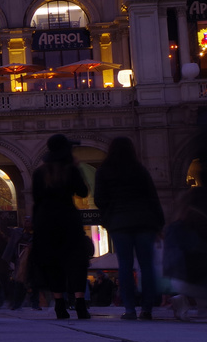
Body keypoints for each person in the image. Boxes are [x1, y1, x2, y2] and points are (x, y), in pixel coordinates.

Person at [94, 136, 164, 320]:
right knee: (146, 266)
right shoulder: (139, 170)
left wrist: (108, 216)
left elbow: (99, 199)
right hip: (145, 221)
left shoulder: (104, 171)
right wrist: (160, 223)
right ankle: (147, 308)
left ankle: (130, 309)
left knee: (125, 266)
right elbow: (153, 197)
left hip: (120, 222)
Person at [28, 134, 94, 320]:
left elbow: (37, 200)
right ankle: (80, 305)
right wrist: (77, 167)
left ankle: (59, 305)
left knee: (53, 263)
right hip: (68, 220)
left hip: (45, 222)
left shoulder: (39, 173)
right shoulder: (70, 170)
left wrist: (35, 226)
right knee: (76, 261)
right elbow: (83, 192)